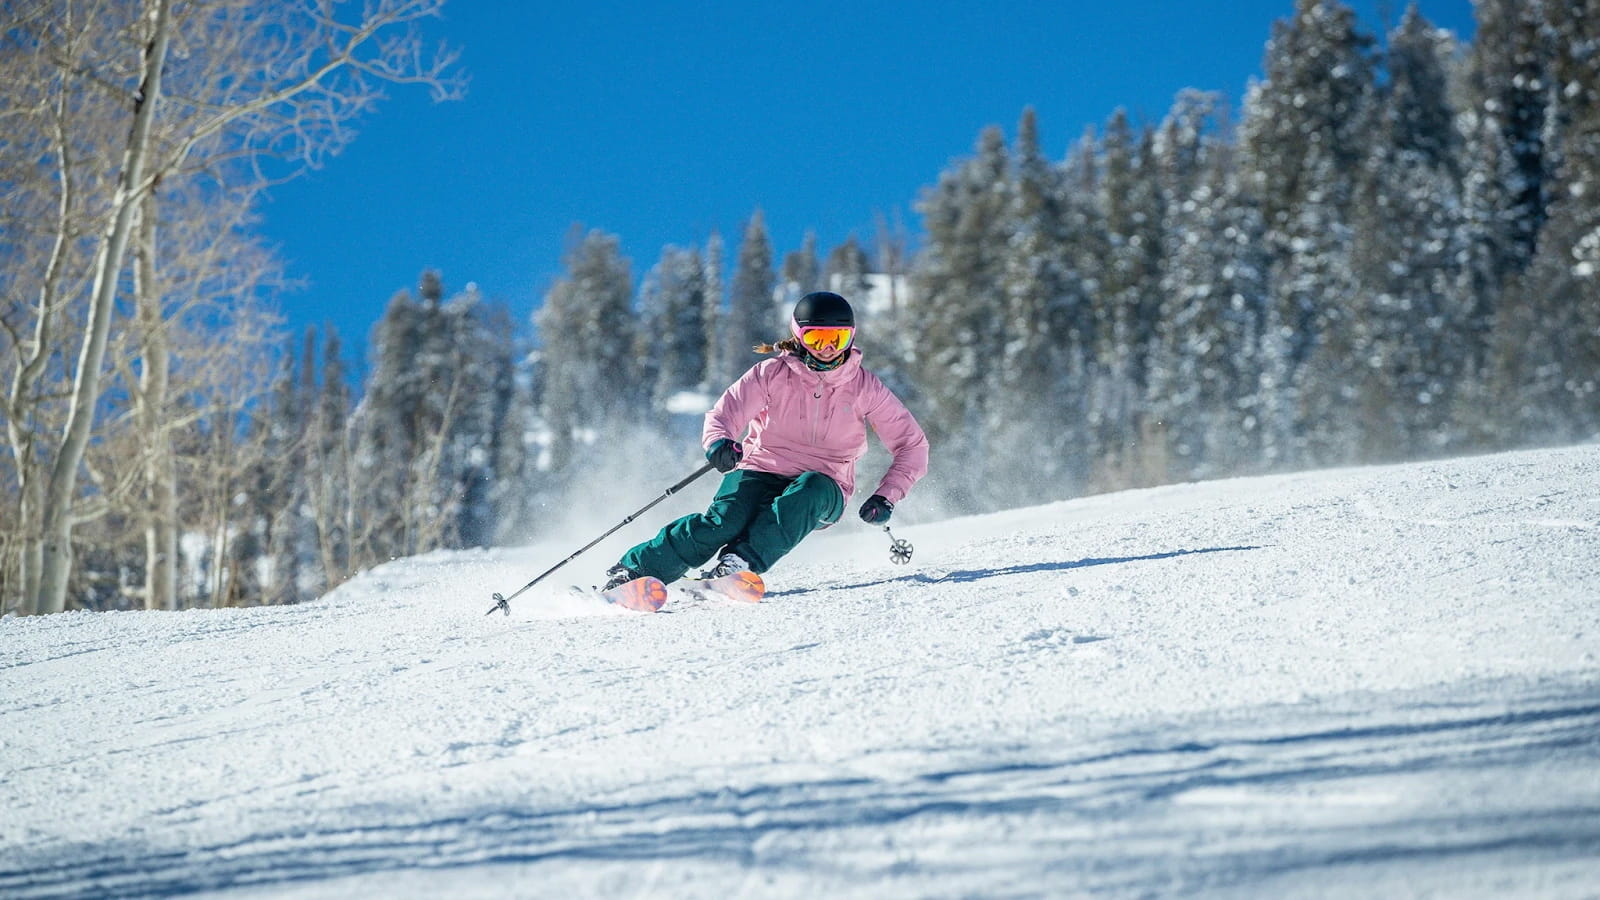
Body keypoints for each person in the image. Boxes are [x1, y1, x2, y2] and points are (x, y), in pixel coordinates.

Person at [604, 291, 929, 590]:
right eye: (816, 338)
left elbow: (912, 446)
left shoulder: (865, 387)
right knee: (724, 522)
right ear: (799, 336)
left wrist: (887, 496)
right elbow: (725, 413)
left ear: (851, 337)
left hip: (826, 485)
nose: (827, 348)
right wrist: (719, 442)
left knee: (808, 490)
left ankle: (737, 566)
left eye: (837, 338)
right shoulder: (771, 374)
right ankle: (634, 572)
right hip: (760, 468)